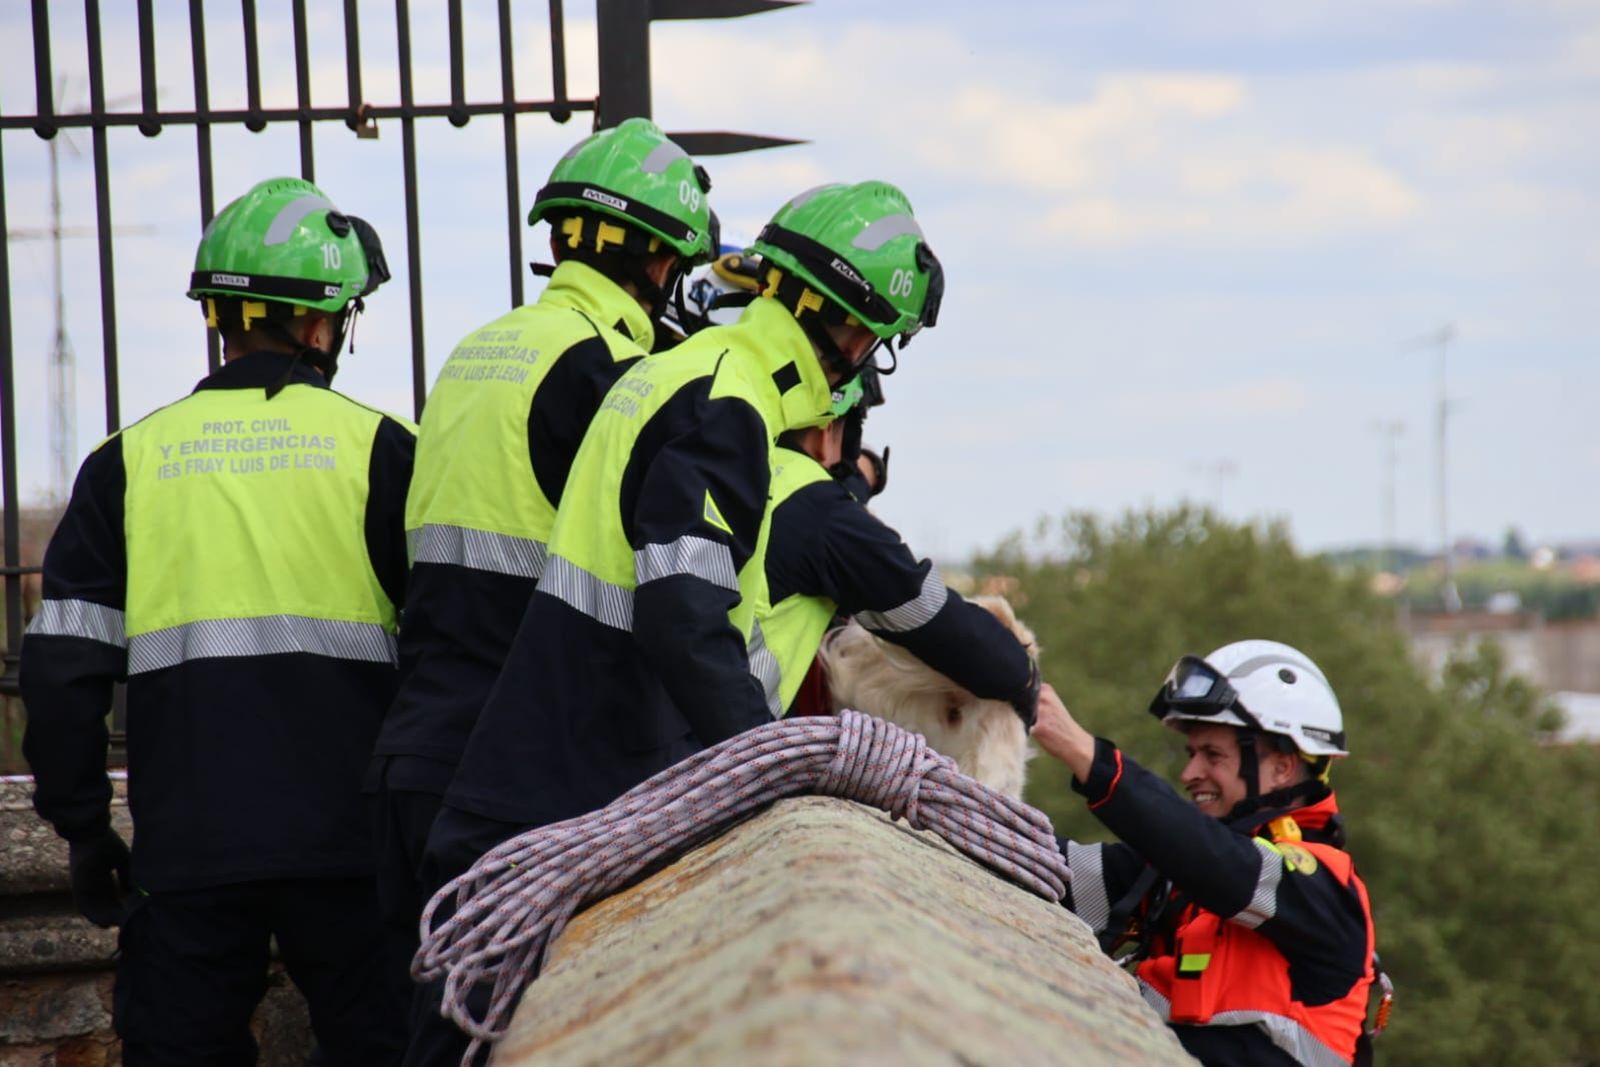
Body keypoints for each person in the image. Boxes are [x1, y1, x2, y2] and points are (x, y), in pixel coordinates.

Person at [407, 180, 943, 1063]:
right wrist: (765, 768)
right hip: (570, 787)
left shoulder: (695, 369)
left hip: (535, 773)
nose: (866, 362)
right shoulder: (727, 400)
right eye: (872, 341)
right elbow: (683, 609)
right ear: (847, 330)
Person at [20, 177, 412, 1065]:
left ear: (221, 319)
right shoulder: (384, 451)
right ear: (319, 327)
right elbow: (446, 650)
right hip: (350, 854)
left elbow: (61, 674)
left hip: (188, 854)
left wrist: (83, 827)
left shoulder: (127, 463)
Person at [367, 116, 714, 1014]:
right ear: (654, 260)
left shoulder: (476, 351)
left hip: (417, 749)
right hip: (523, 770)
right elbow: (664, 580)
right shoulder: (612, 373)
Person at [1030, 640, 1378, 1067]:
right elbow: (1043, 866)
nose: (1190, 773)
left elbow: (1219, 863)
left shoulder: (1321, 888)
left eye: (1212, 755)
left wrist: (1089, 757)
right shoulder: (1170, 879)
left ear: (1282, 767)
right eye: (1192, 753)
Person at [759, 370, 1038, 720]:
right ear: (825, 430)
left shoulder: (729, 470)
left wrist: (864, 475)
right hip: (726, 748)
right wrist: (1023, 677)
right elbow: (932, 619)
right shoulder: (825, 518)